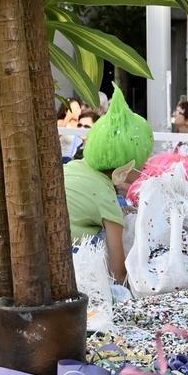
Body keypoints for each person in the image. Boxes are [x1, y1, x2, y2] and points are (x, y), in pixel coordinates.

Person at [63, 91, 152, 288]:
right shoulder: (106, 200)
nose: (144, 170)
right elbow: (118, 273)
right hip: (73, 270)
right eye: (142, 165)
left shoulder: (73, 167)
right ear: (125, 169)